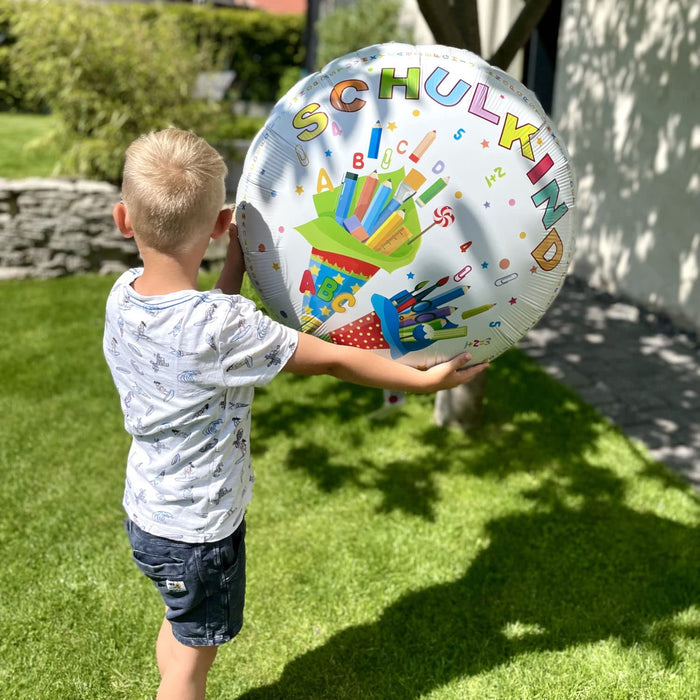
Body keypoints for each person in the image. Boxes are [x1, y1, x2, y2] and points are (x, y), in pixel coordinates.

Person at [103, 128, 488, 700]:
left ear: (123, 220)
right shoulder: (225, 329)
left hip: (148, 513)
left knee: (182, 632)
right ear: (217, 222)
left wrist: (234, 261)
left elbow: (209, 315)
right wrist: (420, 377)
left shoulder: (124, 293)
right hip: (201, 532)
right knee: (191, 665)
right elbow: (333, 361)